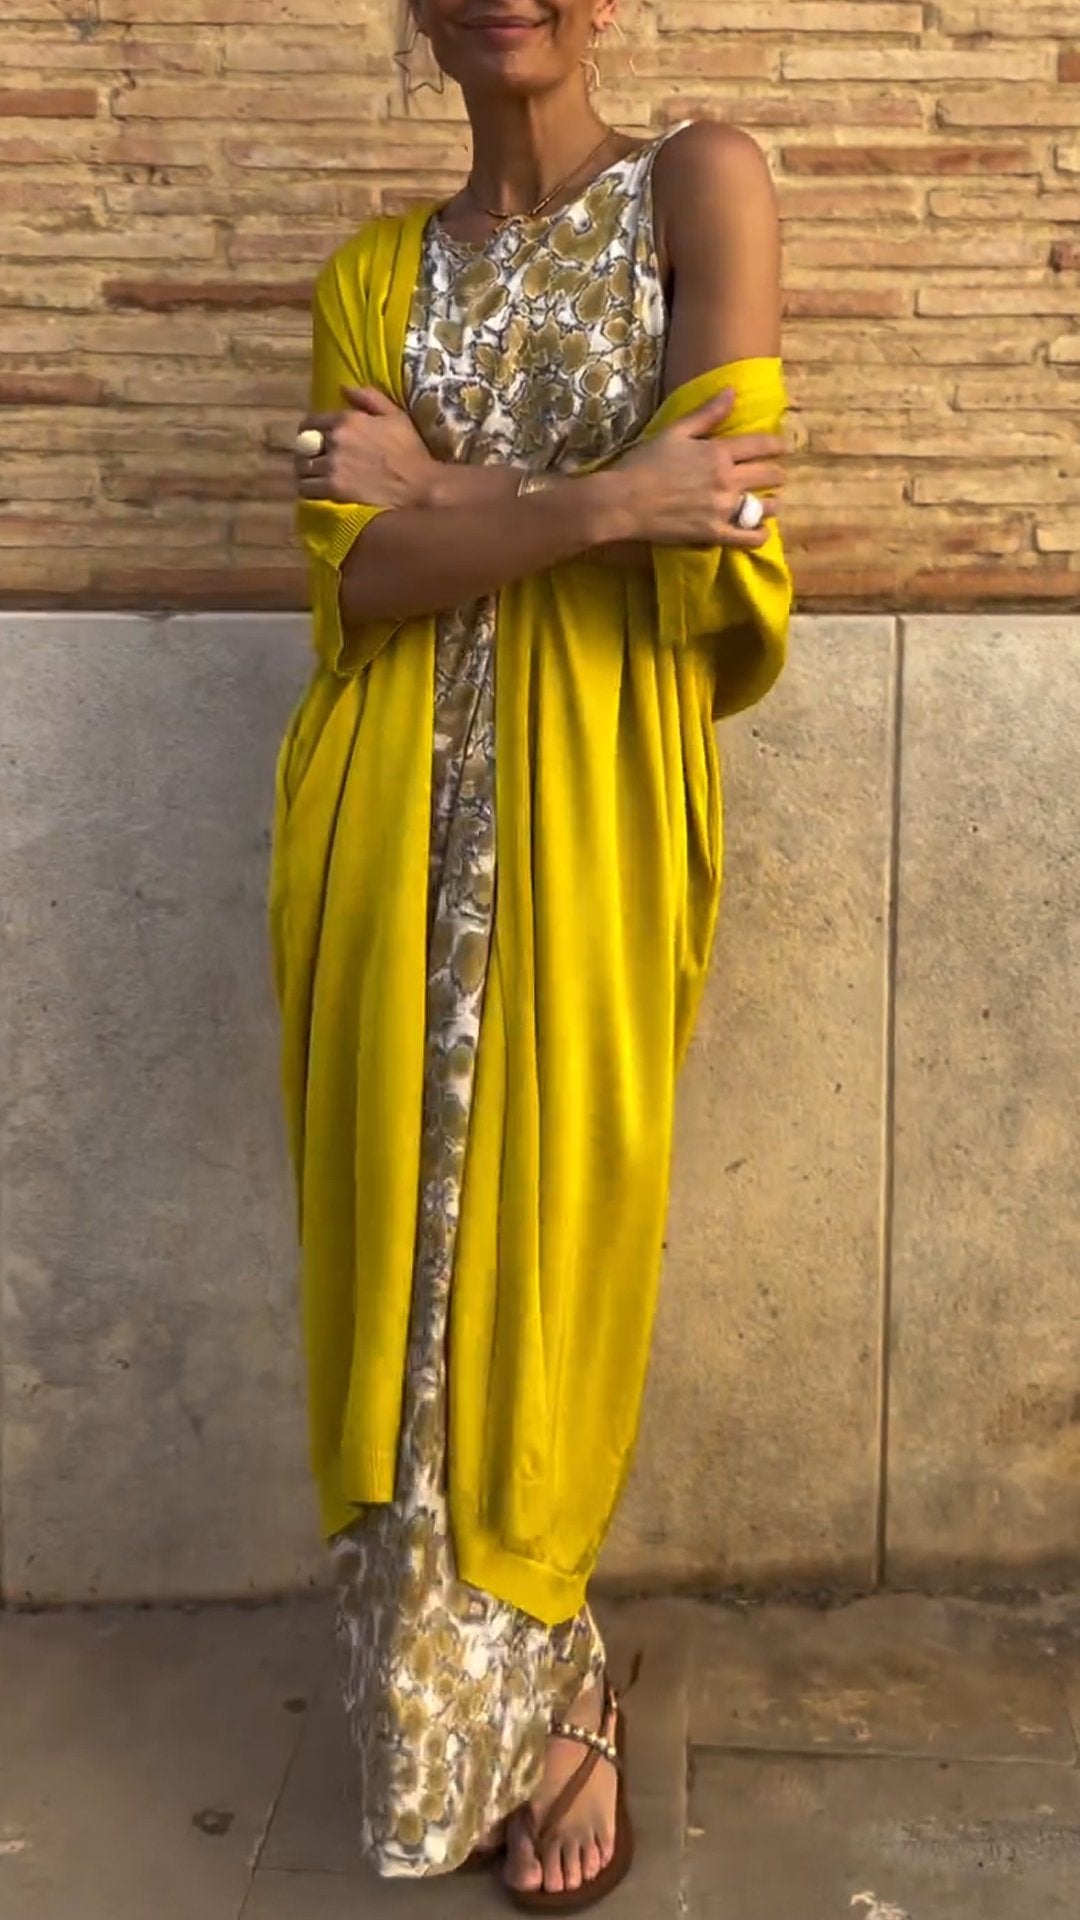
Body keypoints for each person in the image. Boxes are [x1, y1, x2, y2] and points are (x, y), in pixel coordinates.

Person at [272, 0, 793, 1908]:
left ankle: (567, 1681)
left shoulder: (699, 185)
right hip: (381, 809)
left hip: (594, 791)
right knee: (393, 1252)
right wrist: (593, 497)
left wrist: (447, 488)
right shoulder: (370, 276)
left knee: (555, 1238)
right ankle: (454, 1717)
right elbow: (361, 577)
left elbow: (722, 517)